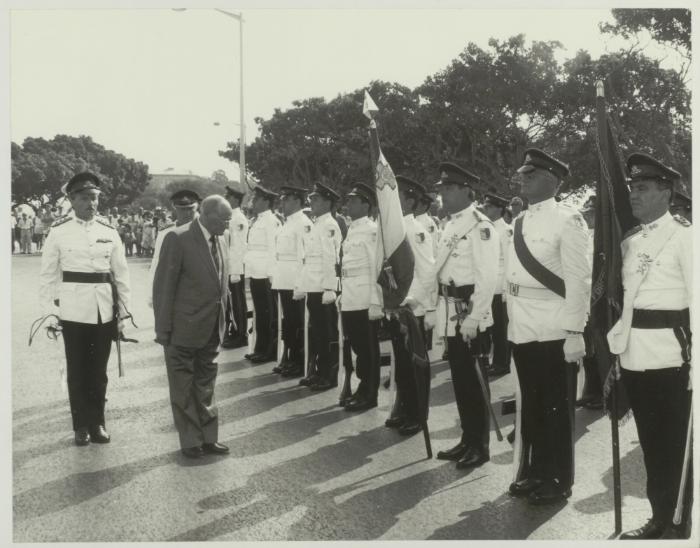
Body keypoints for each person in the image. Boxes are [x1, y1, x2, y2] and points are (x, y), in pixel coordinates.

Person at [609, 153, 692, 540]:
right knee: (651, 445)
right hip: (636, 355)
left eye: (642, 188)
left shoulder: (686, 238)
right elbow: (628, 304)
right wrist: (617, 351)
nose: (634, 196)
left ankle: (677, 523)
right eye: (632, 189)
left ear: (666, 192)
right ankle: (659, 517)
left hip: (671, 358)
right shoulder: (631, 241)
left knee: (675, 447)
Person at [505, 149, 589, 505]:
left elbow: (578, 279)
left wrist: (574, 331)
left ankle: (557, 478)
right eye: (523, 174)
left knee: (555, 408)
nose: (522, 179)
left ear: (551, 180)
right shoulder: (520, 221)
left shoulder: (568, 220)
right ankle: (535, 470)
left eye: (531, 174)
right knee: (533, 406)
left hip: (554, 327)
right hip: (523, 325)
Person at [38, 172, 131, 446]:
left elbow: (121, 274)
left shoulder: (109, 231)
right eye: (85, 198)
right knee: (77, 370)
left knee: (99, 371)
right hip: (72, 311)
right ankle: (80, 426)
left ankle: (98, 422)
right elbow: (47, 276)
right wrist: (49, 314)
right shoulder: (58, 231)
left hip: (104, 309)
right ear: (72, 200)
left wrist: (123, 314)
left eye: (95, 198)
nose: (92, 203)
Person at [152, 195, 232, 459]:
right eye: (224, 220)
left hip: (211, 327)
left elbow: (222, 286)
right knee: (183, 387)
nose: (228, 226)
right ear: (207, 215)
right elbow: (164, 286)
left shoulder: (220, 239)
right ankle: (190, 441)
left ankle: (209, 438)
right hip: (183, 328)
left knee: (206, 385)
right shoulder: (178, 238)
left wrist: (227, 318)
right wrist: (163, 330)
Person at [433, 162, 500, 469]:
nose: (442, 194)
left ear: (465, 191)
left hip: (470, 313)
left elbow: (487, 277)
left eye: (448, 189)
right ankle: (466, 439)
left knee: (474, 381)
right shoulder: (449, 224)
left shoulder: (480, 225)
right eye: (442, 189)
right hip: (450, 311)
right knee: (460, 381)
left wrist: (475, 317)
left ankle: (480, 446)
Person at [385, 176, 436, 434]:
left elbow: (427, 272)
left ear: (410, 200)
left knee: (415, 364)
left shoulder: (415, 231)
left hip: (411, 308)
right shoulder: (392, 230)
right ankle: (403, 407)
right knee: (402, 364)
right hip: (396, 307)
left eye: (398, 195)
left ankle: (417, 415)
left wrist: (413, 300)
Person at [338, 183, 383, 409]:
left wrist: (376, 302)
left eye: (354, 201)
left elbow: (376, 268)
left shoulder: (371, 230)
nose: (348, 204)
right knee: (356, 346)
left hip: (365, 298)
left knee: (367, 349)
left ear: (366, 205)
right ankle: (361, 388)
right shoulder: (352, 229)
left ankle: (369, 393)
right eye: (348, 200)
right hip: (351, 296)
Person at [296, 182, 342, 390]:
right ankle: (317, 372)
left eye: (315, 199)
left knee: (327, 332)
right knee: (316, 332)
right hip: (313, 285)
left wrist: (330, 287)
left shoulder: (329, 225)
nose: (311, 202)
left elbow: (331, 258)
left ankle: (329, 375)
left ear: (327, 202)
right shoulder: (318, 224)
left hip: (324, 287)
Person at [271, 186, 312, 377]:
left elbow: (303, 257)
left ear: (297, 201)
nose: (282, 204)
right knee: (288, 321)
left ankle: (299, 360)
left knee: (297, 322)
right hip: (283, 278)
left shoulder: (303, 223)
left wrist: (300, 284)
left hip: (295, 280)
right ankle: (288, 356)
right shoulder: (287, 223)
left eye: (286, 200)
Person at [244, 185, 281, 363]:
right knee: (260, 312)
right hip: (256, 272)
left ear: (266, 202)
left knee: (269, 314)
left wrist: (271, 275)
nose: (253, 202)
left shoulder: (271, 221)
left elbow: (274, 249)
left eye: (256, 199)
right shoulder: (257, 220)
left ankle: (270, 350)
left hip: (266, 274)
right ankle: (260, 347)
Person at [148, 190, 200, 307]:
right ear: (174, 209)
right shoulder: (166, 232)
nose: (187, 213)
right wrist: (152, 295)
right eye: (182, 209)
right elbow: (156, 264)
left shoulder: (204, 231)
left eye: (190, 209)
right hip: (175, 290)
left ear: (197, 208)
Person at [480, 192, 513, 377]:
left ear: (500, 209)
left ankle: (502, 363)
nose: (485, 209)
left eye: (489, 207)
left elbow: (509, 261)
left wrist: (507, 290)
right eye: (485, 206)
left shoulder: (505, 230)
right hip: (487, 286)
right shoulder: (486, 228)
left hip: (500, 287)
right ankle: (489, 360)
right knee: (488, 327)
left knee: (500, 329)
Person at [222, 186, 250, 349]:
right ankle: (234, 330)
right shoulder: (230, 216)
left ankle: (241, 334)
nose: (225, 198)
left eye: (228, 196)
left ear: (234, 199)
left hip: (235, 268)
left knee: (238, 302)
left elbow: (238, 247)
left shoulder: (238, 218)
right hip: (229, 266)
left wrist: (235, 271)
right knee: (231, 302)